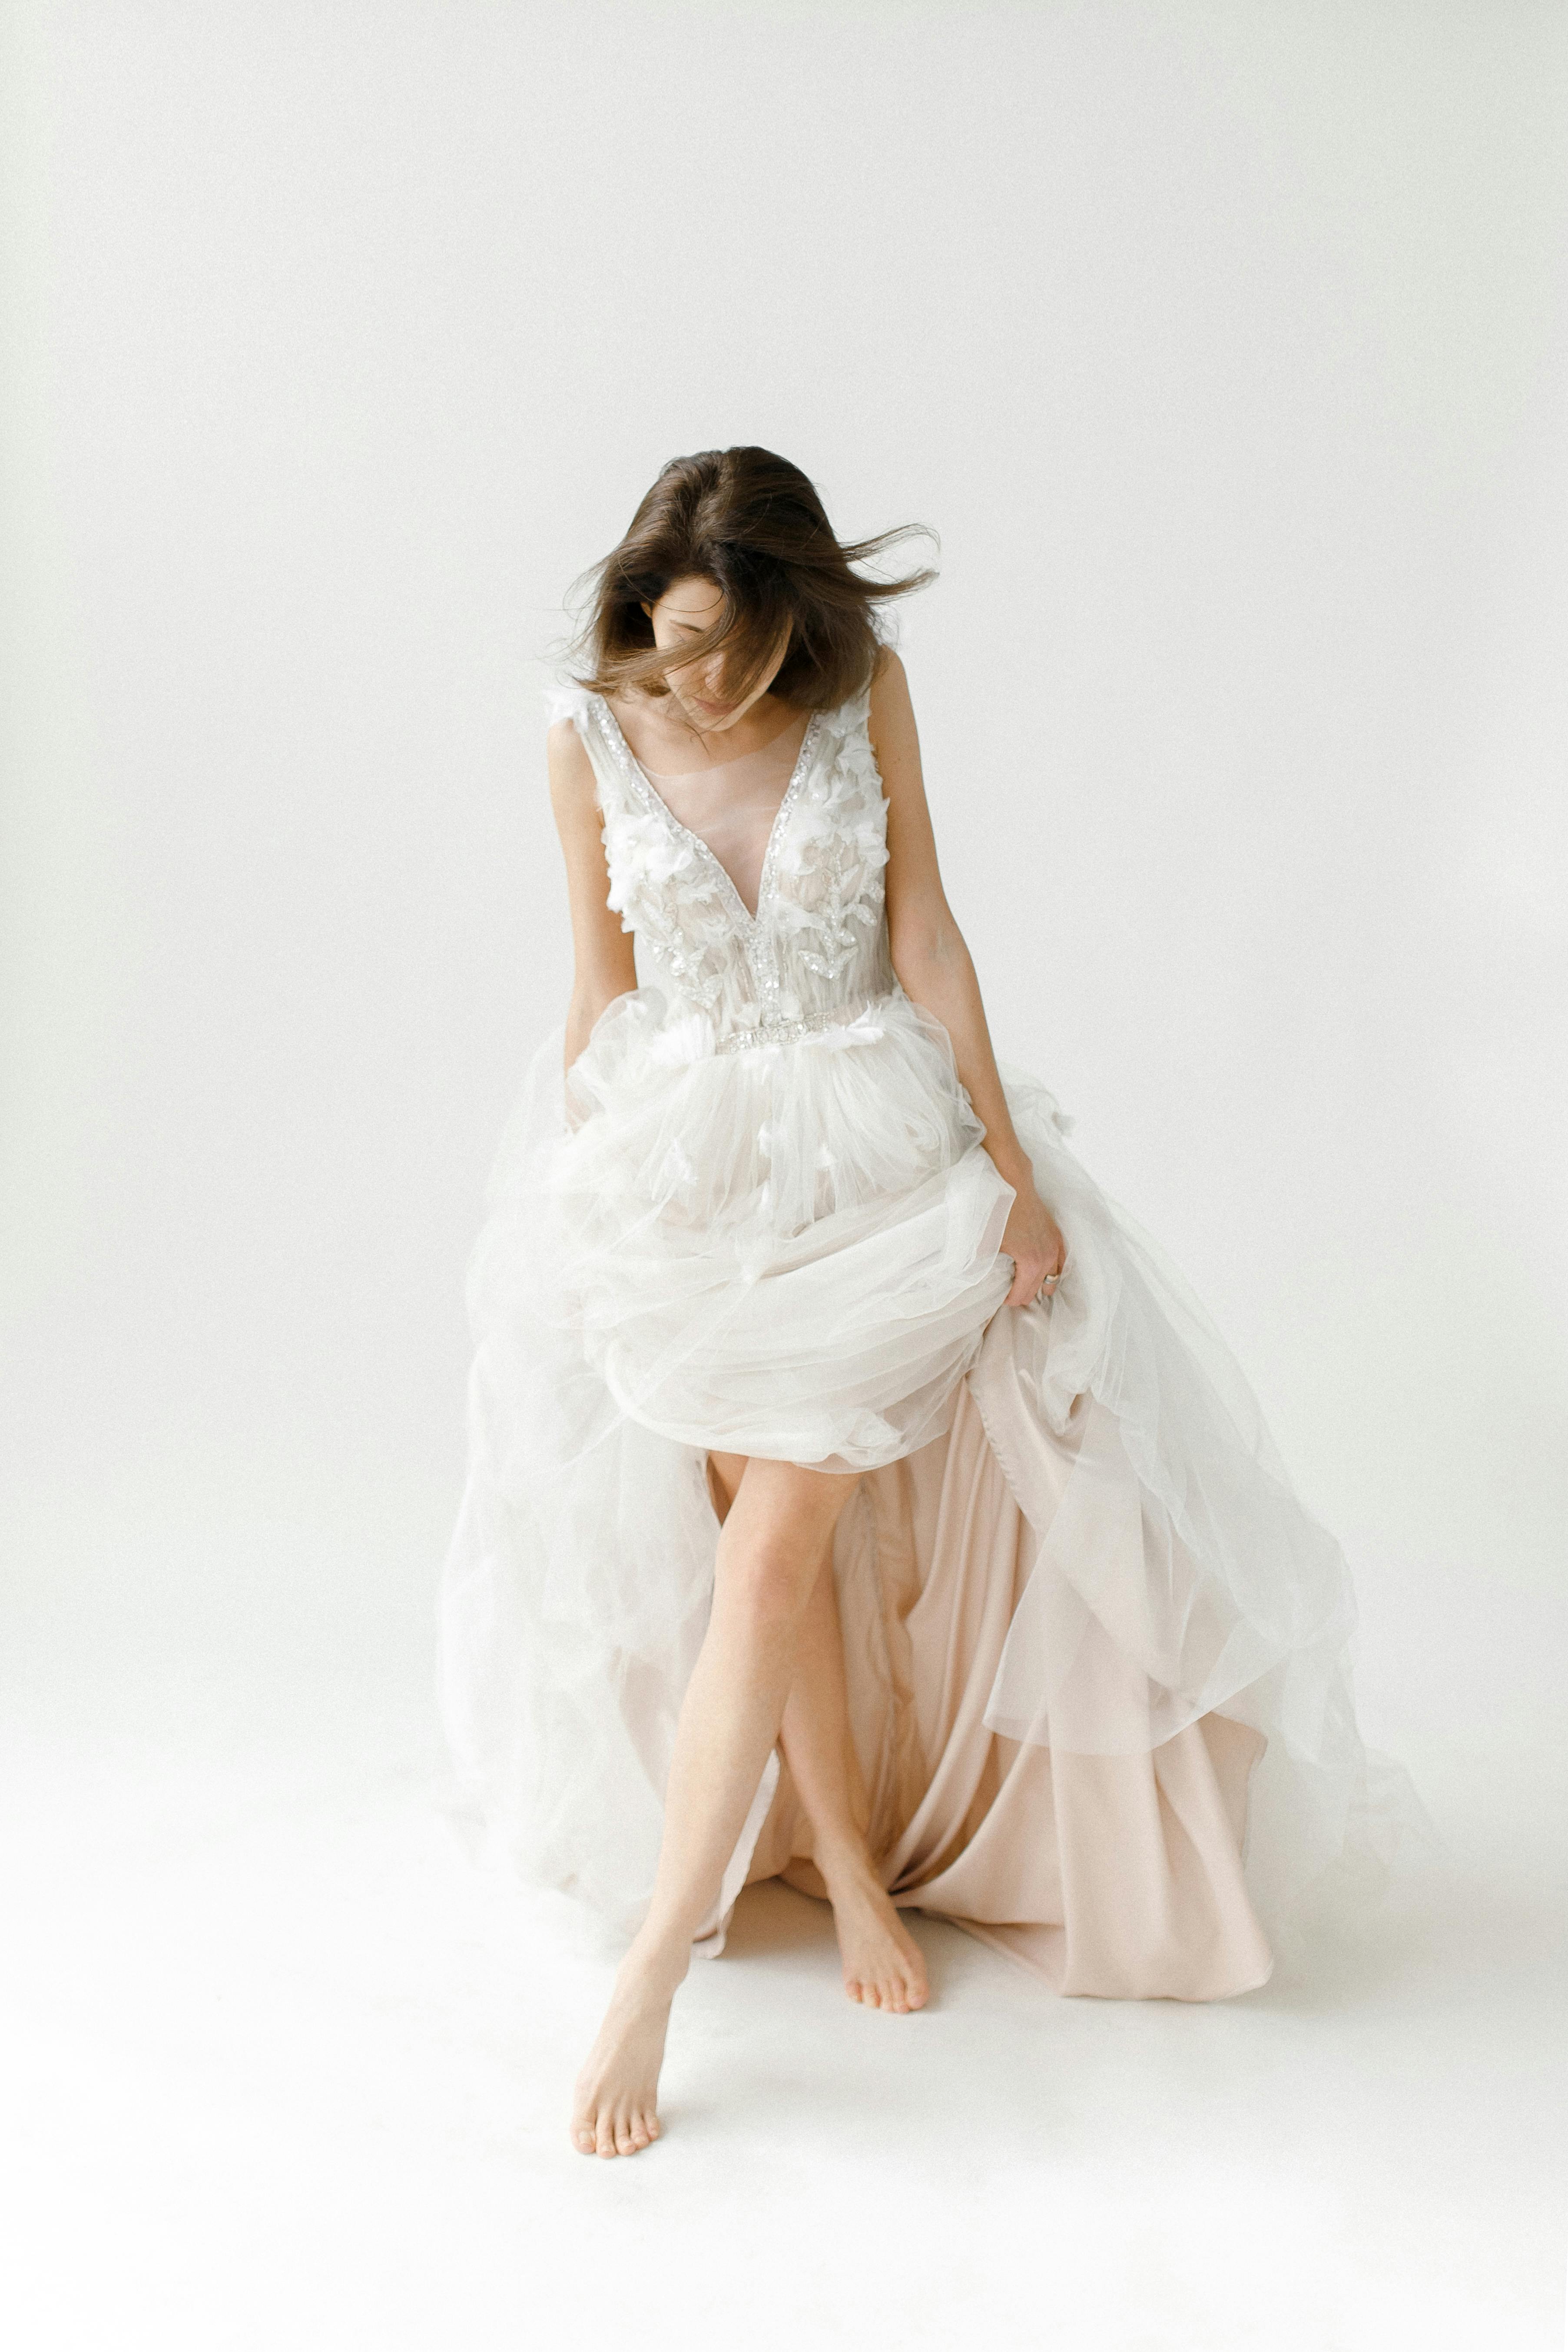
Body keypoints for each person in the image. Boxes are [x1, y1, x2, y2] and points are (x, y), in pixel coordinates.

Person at [437, 445, 1426, 2162]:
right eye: (674, 642)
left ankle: (657, 1969)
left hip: (878, 1163)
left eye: (734, 648)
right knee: (769, 1549)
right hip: (691, 1180)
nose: (701, 681)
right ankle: (849, 1865)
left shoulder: (863, 690)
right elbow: (599, 986)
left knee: (775, 1549)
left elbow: (927, 934)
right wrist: (583, 1204)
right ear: (637, 614)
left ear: (795, 617)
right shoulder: (582, 732)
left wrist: (1012, 1171)